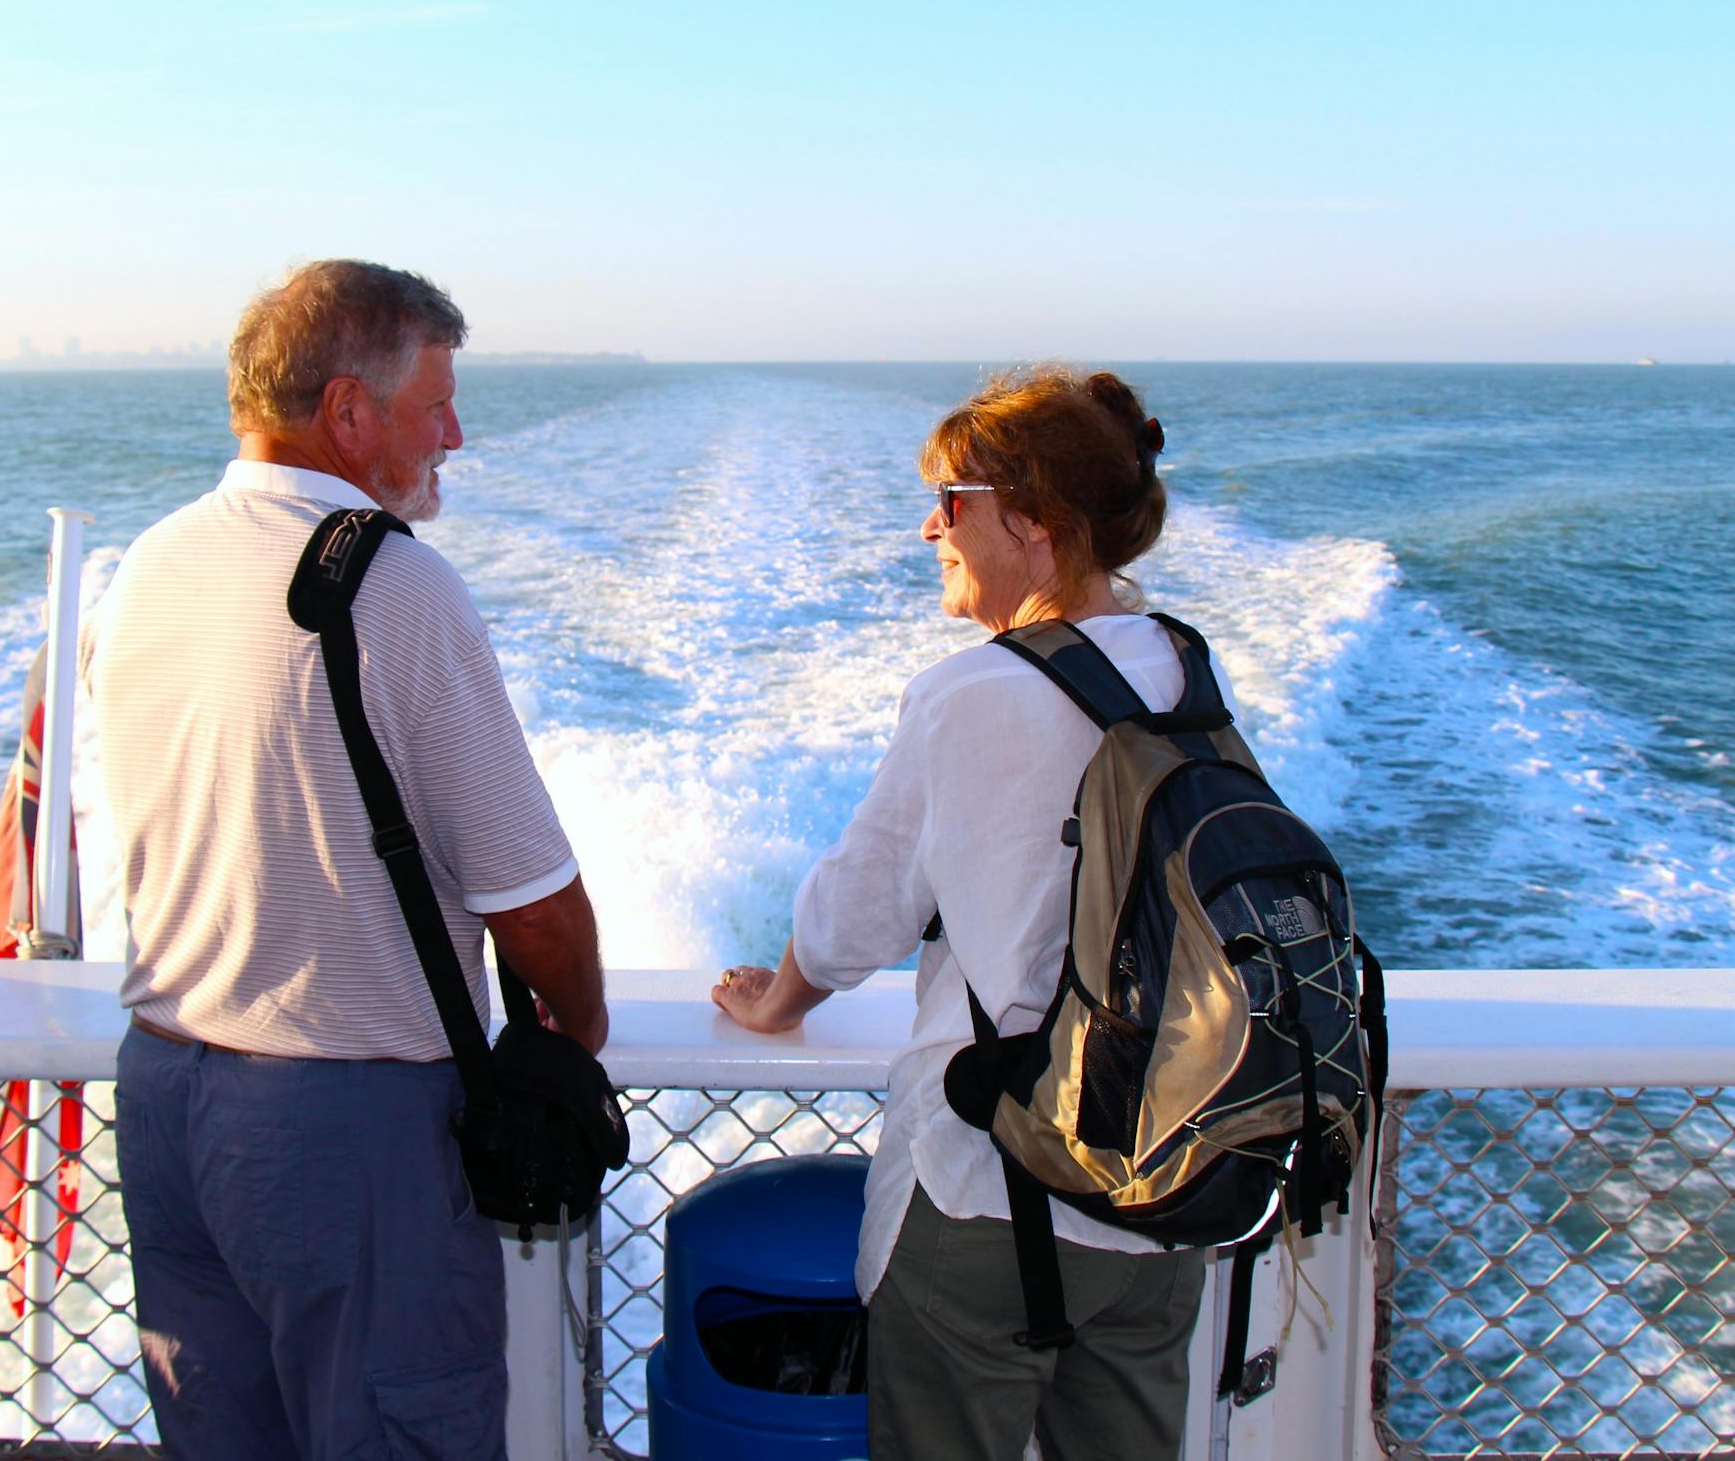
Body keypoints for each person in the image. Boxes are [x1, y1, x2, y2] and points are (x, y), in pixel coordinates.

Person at [83, 259, 608, 1461]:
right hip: (344, 1124)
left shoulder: (148, 564)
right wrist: (573, 1029)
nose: (456, 437)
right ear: (348, 413)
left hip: (165, 1095)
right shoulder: (390, 584)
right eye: (436, 406)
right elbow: (528, 900)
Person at [712, 366, 1230, 1461]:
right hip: (1159, 1183)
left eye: (949, 504)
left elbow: (857, 912)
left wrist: (778, 1000)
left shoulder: (971, 696)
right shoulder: (1186, 671)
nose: (926, 529)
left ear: (1033, 524)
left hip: (985, 1195)